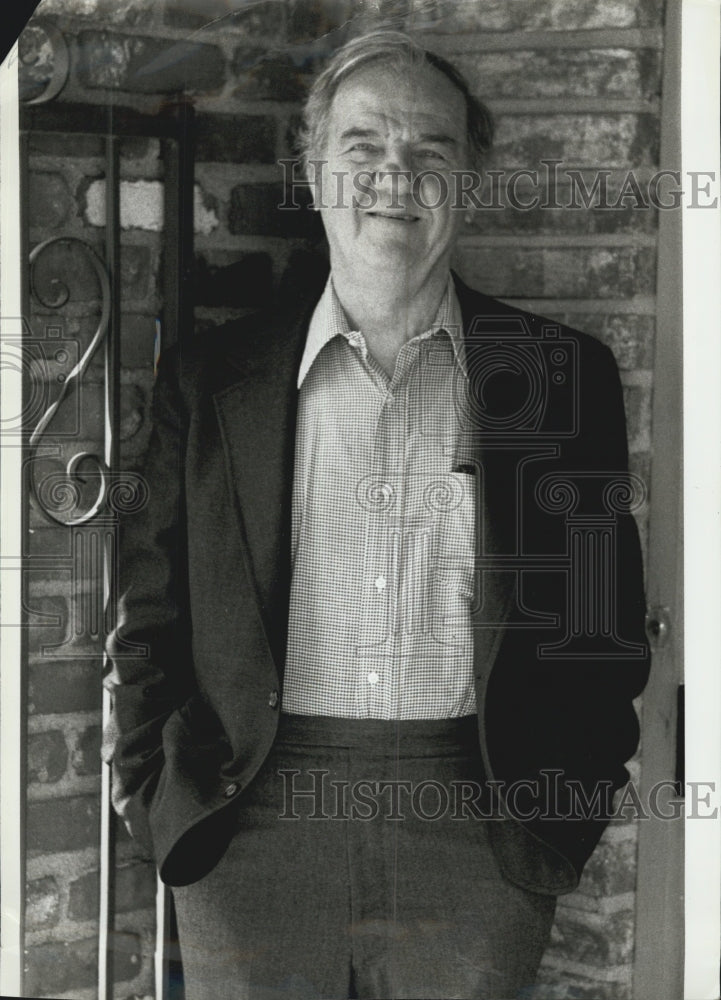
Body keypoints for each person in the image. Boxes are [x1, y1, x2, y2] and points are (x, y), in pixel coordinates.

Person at [103, 29, 650, 1000]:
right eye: (362, 146)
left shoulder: (559, 381)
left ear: (469, 181)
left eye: (429, 151)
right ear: (313, 171)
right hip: (250, 826)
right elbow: (150, 618)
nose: (393, 173)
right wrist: (155, 800)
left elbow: (600, 634)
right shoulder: (212, 378)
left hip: (477, 824)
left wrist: (566, 809)